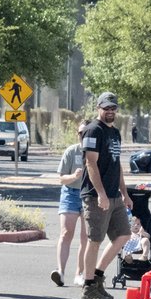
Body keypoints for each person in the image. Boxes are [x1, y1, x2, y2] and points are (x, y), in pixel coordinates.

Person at [78, 92, 134, 299]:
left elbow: (116, 164)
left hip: (114, 195)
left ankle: (97, 277)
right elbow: (90, 163)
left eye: (113, 108)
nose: (110, 111)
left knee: (124, 235)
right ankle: (88, 287)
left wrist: (125, 193)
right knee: (95, 241)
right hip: (95, 196)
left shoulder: (115, 133)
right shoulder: (93, 130)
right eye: (106, 108)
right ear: (99, 108)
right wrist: (101, 194)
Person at [51, 119, 89, 287]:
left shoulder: (96, 152)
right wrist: (74, 176)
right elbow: (61, 179)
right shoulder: (71, 151)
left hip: (89, 195)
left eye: (87, 133)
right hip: (71, 193)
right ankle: (60, 271)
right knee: (66, 233)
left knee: (86, 236)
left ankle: (79, 273)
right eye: (81, 133)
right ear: (77, 134)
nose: (83, 136)